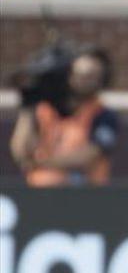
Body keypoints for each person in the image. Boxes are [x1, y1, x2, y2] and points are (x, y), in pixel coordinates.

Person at [9, 49, 119, 188]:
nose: (87, 82)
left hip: (85, 195)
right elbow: (21, 153)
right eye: (82, 76)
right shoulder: (44, 110)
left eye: (93, 77)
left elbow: (90, 155)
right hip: (40, 191)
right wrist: (27, 107)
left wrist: (41, 163)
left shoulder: (103, 115)